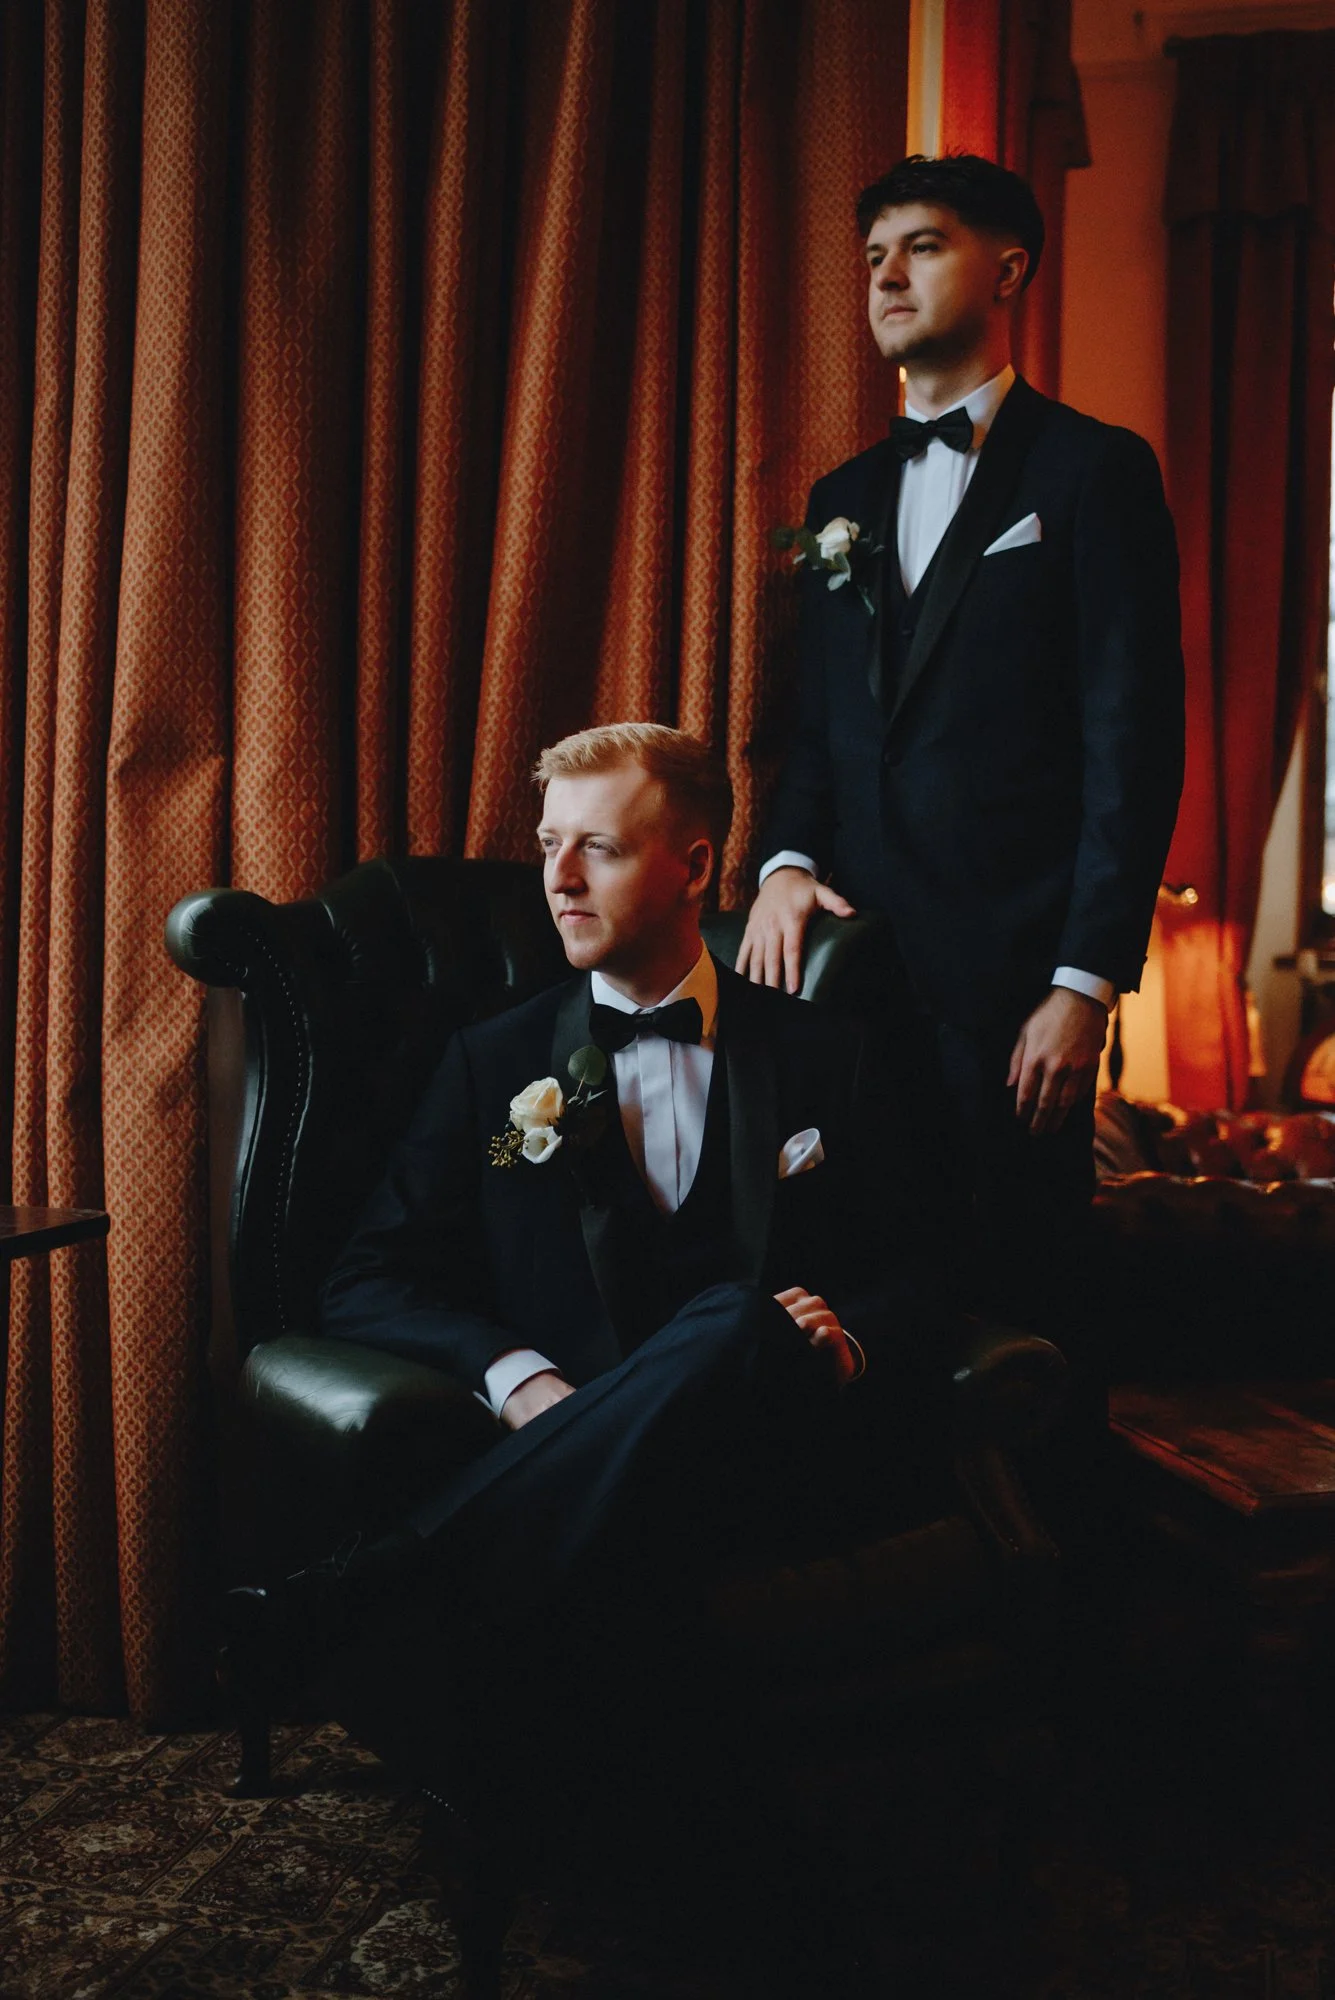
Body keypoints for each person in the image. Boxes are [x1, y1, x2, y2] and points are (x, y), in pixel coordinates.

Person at [258, 723, 945, 1825]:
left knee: (736, 1322)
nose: (561, 881)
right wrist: (518, 1375)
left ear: (698, 863)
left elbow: (927, 1272)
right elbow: (368, 1276)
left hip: (775, 1455)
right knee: (721, 1351)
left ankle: (375, 1582)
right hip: (583, 1476)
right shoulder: (496, 1068)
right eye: (548, 845)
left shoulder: (829, 1054)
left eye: (602, 849)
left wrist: (847, 1338)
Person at [738, 154, 1184, 1339]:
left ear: (1008, 267)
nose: (886, 274)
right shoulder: (842, 495)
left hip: (1015, 990)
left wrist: (1084, 981)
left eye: (921, 246)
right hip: (854, 983)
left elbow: (1131, 741)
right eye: (874, 253)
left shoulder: (1095, 471)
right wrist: (782, 866)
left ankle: (1063, 1531)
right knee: (873, 1294)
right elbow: (823, 731)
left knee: (1027, 1302)